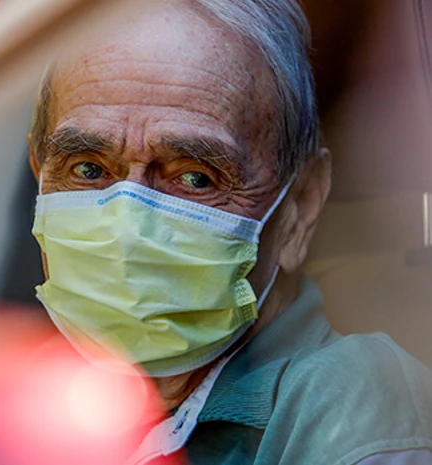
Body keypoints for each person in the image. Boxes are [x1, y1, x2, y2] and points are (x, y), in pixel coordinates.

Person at [27, 0, 432, 463]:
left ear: (301, 204)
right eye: (88, 168)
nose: (126, 228)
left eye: (196, 177)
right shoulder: (12, 395)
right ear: (40, 174)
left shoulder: (357, 417)